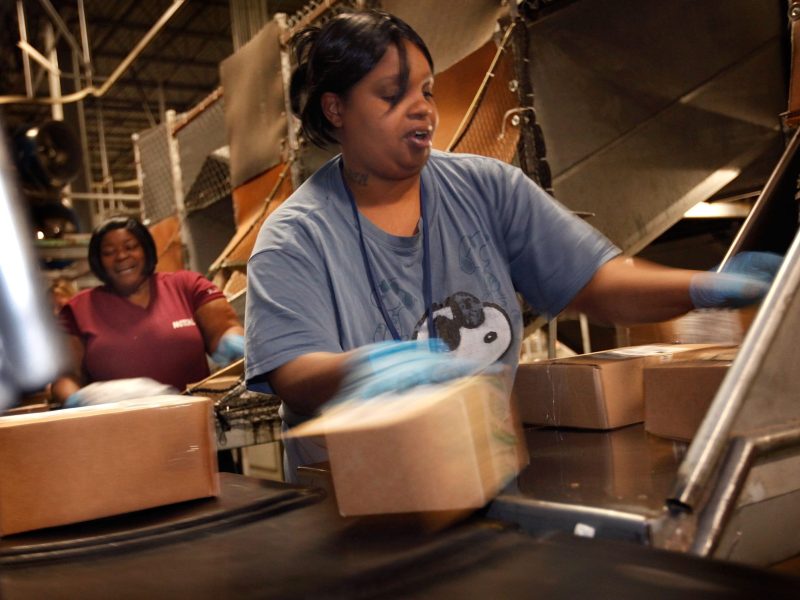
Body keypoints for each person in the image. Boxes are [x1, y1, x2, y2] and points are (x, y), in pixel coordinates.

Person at [244, 9, 782, 480]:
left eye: (426, 91)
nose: (423, 110)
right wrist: (363, 369)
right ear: (336, 110)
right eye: (393, 94)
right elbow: (294, 374)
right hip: (355, 494)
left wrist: (704, 286)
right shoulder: (295, 238)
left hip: (476, 472)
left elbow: (598, 283)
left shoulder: (487, 189)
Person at [51, 216, 245, 406]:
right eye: (109, 252)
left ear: (146, 249)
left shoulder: (187, 286)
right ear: (98, 261)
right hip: (118, 426)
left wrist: (232, 341)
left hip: (194, 417)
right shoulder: (78, 309)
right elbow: (65, 375)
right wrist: (75, 398)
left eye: (130, 247)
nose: (121, 257)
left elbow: (224, 328)